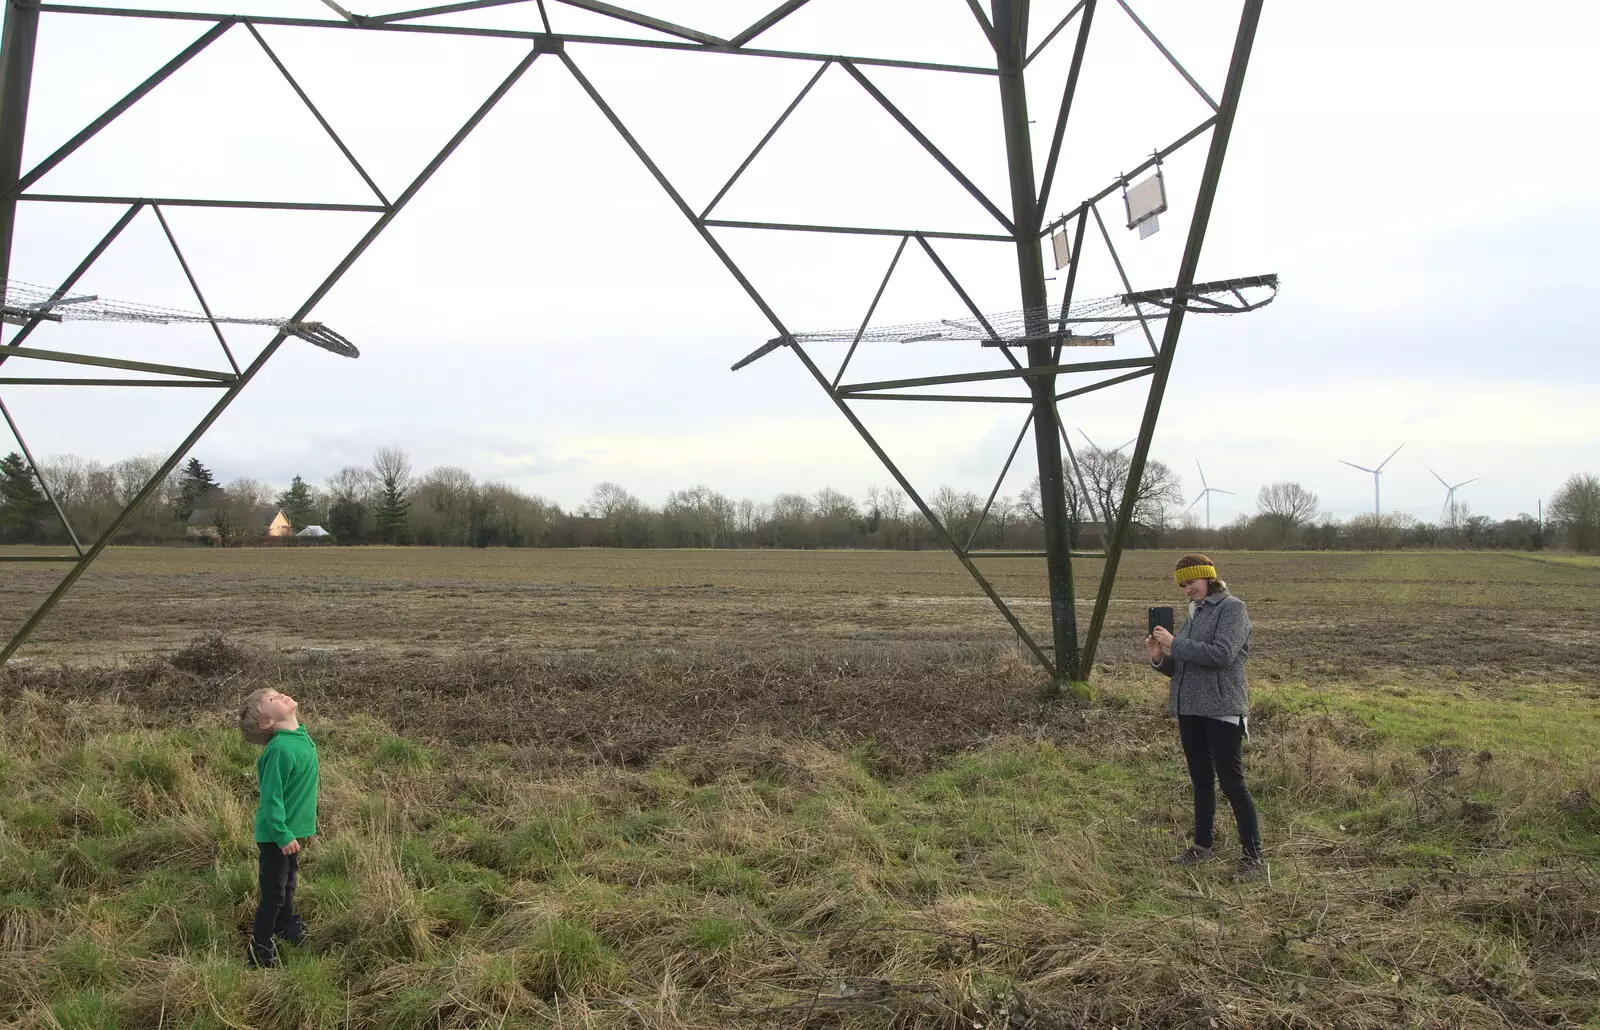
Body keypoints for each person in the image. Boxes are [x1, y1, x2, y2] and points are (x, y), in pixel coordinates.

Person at [1145, 554, 1265, 882]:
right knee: (1200, 782)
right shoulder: (1194, 612)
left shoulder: (1232, 608)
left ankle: (1253, 857)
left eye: (1190, 582)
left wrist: (1176, 643)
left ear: (1208, 578)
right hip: (1190, 709)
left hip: (1222, 708)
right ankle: (1201, 846)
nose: (1187, 590)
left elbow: (1223, 655)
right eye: (1182, 585)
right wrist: (1160, 658)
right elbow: (1184, 667)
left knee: (1232, 783)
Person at [238, 687, 319, 967]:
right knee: (273, 892)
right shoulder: (280, 750)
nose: (281, 695)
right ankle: (260, 949)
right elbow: (270, 799)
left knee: (288, 883)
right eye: (272, 699)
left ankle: (286, 926)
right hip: (276, 836)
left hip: (290, 834)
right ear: (266, 723)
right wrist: (282, 834)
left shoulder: (299, 737)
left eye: (277, 692)